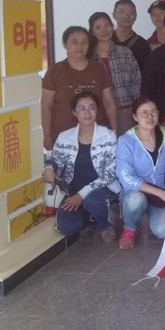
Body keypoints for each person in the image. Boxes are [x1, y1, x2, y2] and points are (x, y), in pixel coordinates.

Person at [43, 91, 121, 241]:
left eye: (92, 107)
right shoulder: (65, 137)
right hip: (74, 191)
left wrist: (82, 195)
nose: (87, 112)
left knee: (93, 200)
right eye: (81, 108)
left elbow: (110, 173)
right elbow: (54, 161)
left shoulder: (108, 136)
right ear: (74, 112)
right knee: (66, 227)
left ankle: (104, 224)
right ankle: (90, 214)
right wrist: (49, 169)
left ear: (97, 110)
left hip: (102, 189)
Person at [41, 26, 117, 149]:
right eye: (74, 42)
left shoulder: (98, 69)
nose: (80, 46)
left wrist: (114, 130)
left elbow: (109, 102)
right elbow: (46, 106)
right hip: (63, 136)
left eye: (84, 42)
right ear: (65, 44)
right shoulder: (54, 71)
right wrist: (47, 135)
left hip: (97, 135)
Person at [116, 97, 165, 250]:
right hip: (137, 192)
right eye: (144, 113)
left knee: (162, 231)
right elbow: (125, 177)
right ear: (135, 117)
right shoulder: (126, 141)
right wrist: (161, 193)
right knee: (135, 200)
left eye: (153, 112)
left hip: (161, 194)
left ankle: (149, 215)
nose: (150, 117)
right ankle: (129, 228)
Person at [89, 11, 141, 134]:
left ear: (112, 27)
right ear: (92, 32)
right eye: (98, 27)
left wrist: (138, 109)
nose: (104, 30)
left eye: (107, 25)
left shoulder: (125, 52)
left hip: (126, 111)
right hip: (100, 113)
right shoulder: (90, 58)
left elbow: (137, 82)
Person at [112, 0, 151, 71]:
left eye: (131, 13)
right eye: (122, 12)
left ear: (136, 16)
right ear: (114, 15)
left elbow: (147, 72)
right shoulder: (105, 39)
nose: (126, 16)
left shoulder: (142, 44)